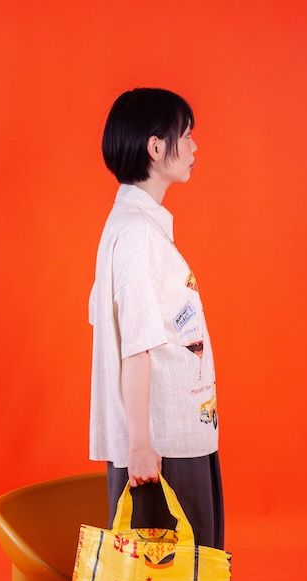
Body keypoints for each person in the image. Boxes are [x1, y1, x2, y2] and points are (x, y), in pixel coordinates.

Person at [89, 87, 224, 550]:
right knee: (171, 576)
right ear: (155, 147)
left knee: (187, 572)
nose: (194, 147)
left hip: (178, 433)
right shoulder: (136, 234)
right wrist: (140, 445)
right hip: (163, 446)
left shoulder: (137, 225)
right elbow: (136, 345)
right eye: (185, 135)